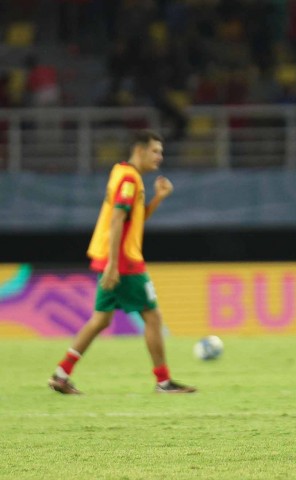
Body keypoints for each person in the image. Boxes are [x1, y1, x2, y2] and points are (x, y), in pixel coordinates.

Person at [48, 130, 196, 395]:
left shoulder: (123, 174)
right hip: (125, 262)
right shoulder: (129, 180)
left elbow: (131, 221)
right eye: (155, 151)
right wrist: (114, 265)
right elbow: (117, 221)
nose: (159, 157)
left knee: (100, 320)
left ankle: (61, 373)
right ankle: (163, 381)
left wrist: (158, 198)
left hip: (112, 257)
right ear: (139, 150)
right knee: (152, 316)